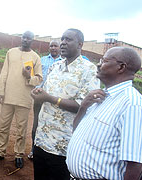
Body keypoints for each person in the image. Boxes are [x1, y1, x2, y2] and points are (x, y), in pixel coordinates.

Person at [31, 28, 100, 180]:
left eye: (68, 39)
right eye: (62, 39)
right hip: (42, 140)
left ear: (80, 44)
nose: (63, 43)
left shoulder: (89, 70)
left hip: (63, 145)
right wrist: (38, 94)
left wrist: (49, 98)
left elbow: (84, 106)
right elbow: (44, 94)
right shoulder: (55, 67)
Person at [67, 47, 142, 180]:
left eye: (104, 60)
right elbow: (76, 130)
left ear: (121, 67)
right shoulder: (101, 96)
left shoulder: (132, 104)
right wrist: (83, 106)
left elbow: (135, 165)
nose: (99, 64)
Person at [0, 31, 42, 169]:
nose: (25, 40)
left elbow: (39, 79)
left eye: (28, 38)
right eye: (23, 37)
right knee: (2, 126)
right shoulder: (10, 52)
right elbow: (4, 72)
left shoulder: (35, 57)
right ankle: (0, 152)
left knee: (21, 129)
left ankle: (19, 154)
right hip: (8, 96)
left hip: (24, 98)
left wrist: (28, 77)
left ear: (32, 40)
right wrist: (0, 91)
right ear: (21, 38)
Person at [28, 40, 61, 160]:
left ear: (59, 47)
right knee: (36, 124)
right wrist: (35, 89)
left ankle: (51, 152)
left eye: (55, 46)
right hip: (39, 97)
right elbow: (34, 76)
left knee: (52, 124)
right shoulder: (41, 60)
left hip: (54, 99)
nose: (53, 48)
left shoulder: (63, 62)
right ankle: (34, 149)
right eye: (51, 46)